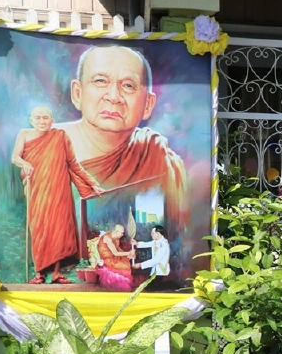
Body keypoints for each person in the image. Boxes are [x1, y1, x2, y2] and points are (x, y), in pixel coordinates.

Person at [60, 46, 189, 230]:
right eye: (100, 81)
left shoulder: (158, 157)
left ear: (148, 104)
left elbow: (180, 235)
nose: (114, 97)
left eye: (128, 85)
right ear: (77, 93)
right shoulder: (44, 149)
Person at [11, 105, 102, 284]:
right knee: (39, 230)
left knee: (58, 230)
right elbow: (15, 157)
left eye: (45, 118)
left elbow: (73, 164)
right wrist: (24, 164)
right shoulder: (24, 134)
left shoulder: (59, 137)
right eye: (37, 118)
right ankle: (40, 273)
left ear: (52, 121)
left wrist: (93, 183)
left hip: (59, 192)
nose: (41, 121)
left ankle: (56, 273)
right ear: (31, 120)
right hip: (36, 190)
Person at [96, 223, 135, 291]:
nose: (122, 235)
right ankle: (119, 285)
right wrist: (129, 253)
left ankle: (122, 285)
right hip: (107, 259)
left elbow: (118, 249)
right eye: (121, 233)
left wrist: (128, 255)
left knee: (126, 260)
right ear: (116, 231)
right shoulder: (108, 238)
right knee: (124, 265)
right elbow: (116, 253)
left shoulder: (116, 238)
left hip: (114, 257)